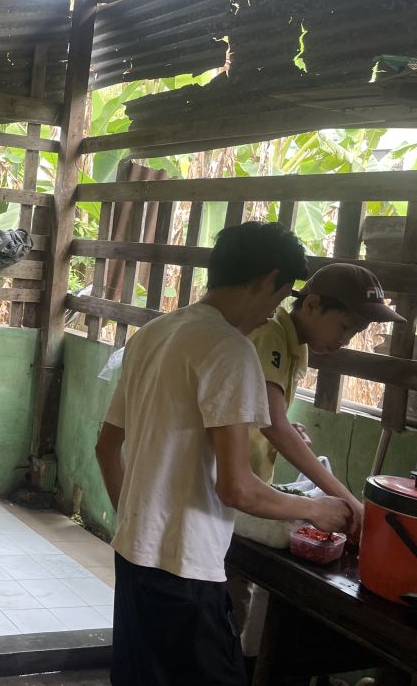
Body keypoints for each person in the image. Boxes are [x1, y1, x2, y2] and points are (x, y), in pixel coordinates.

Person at [94, 221, 352, 686]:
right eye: (279, 298)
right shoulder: (231, 350)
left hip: (133, 556)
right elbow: (236, 488)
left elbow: (106, 447)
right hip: (186, 567)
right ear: (264, 280)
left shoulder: (154, 333)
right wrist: (318, 509)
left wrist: (136, 522)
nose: (273, 313)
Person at [229, 262, 405, 659]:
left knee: (232, 605)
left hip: (248, 490)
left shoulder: (296, 346)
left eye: (354, 333)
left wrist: (287, 429)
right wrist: (349, 501)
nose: (346, 340)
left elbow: (264, 414)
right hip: (230, 491)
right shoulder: (271, 334)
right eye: (344, 327)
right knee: (226, 609)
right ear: (311, 304)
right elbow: (273, 424)